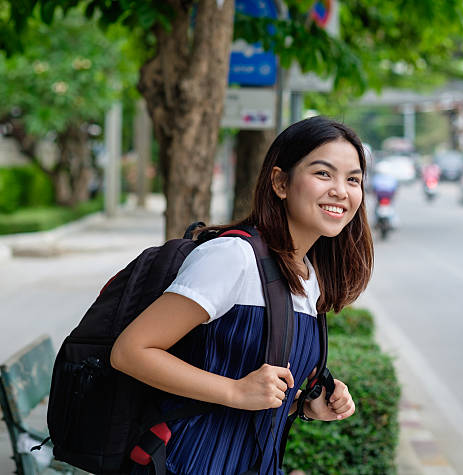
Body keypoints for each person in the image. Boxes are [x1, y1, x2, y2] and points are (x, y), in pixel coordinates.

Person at [110, 116, 374, 475]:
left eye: (353, 179)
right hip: (183, 463)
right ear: (280, 182)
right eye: (323, 174)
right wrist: (235, 391)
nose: (341, 191)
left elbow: (248, 383)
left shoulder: (308, 275)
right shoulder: (233, 257)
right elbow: (130, 352)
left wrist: (304, 404)